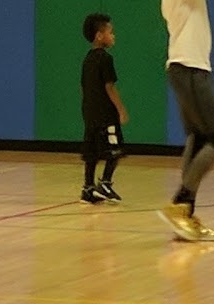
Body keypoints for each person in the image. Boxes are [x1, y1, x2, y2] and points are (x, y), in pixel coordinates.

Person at [157, 0, 214, 243]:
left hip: (186, 68)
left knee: (198, 138)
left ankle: (185, 215)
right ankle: (180, 203)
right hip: (190, 69)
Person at [80, 13, 129, 205]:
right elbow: (109, 86)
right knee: (115, 149)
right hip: (105, 114)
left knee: (91, 152)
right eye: (111, 32)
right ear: (100, 36)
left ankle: (88, 188)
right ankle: (106, 183)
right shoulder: (105, 59)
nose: (113, 36)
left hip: (89, 113)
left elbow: (83, 87)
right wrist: (121, 110)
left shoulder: (87, 59)